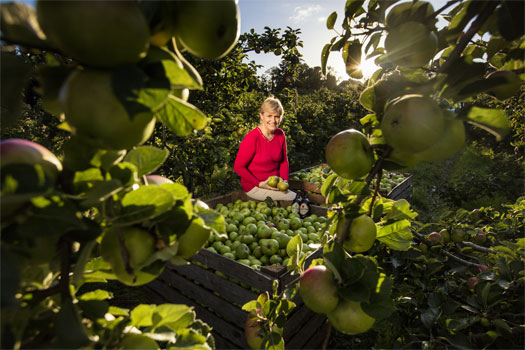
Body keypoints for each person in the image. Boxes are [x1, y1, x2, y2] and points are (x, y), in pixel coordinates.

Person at [234, 97, 296, 201]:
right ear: (261, 115)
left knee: (296, 198)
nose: (273, 120)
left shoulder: (280, 134)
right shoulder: (252, 138)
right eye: (269, 116)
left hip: (275, 184)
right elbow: (238, 167)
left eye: (277, 117)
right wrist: (259, 183)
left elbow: (283, 161)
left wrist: (284, 182)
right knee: (294, 198)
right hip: (255, 186)